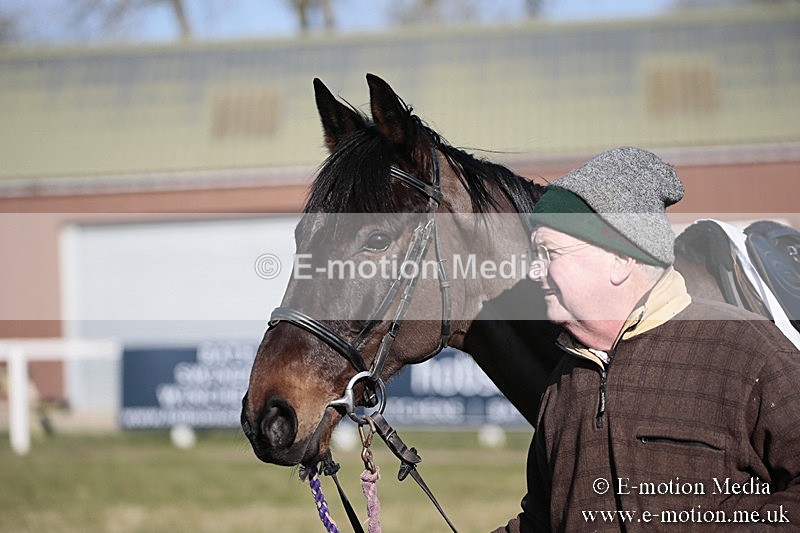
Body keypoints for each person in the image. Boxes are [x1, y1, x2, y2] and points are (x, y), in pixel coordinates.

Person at [495, 146, 800, 532]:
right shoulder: (564, 383)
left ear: (620, 258)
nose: (535, 269)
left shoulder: (745, 348)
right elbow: (541, 523)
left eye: (549, 252)